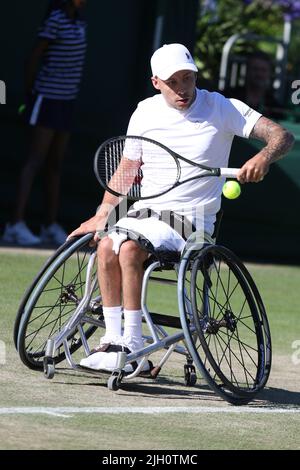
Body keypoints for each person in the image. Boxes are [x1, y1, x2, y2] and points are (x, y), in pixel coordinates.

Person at [68, 43, 294, 372]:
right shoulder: (144, 112)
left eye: (188, 78)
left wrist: (262, 157)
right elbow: (129, 167)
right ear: (156, 82)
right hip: (144, 215)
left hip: (191, 223)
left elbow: (282, 136)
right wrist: (104, 211)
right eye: (173, 81)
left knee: (129, 250)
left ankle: (132, 344)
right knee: (105, 247)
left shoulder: (221, 107)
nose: (183, 88)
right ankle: (113, 341)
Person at [2, 0, 87, 246]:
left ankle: (49, 225)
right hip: (46, 99)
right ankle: (15, 225)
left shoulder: (79, 22)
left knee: (56, 164)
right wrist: (30, 97)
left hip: (66, 102)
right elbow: (32, 59)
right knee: (35, 160)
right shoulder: (55, 20)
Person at [224, 51, 284, 120]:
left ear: (269, 73)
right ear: (247, 71)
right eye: (255, 69)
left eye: (263, 70)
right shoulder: (230, 98)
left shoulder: (274, 105)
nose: (259, 74)